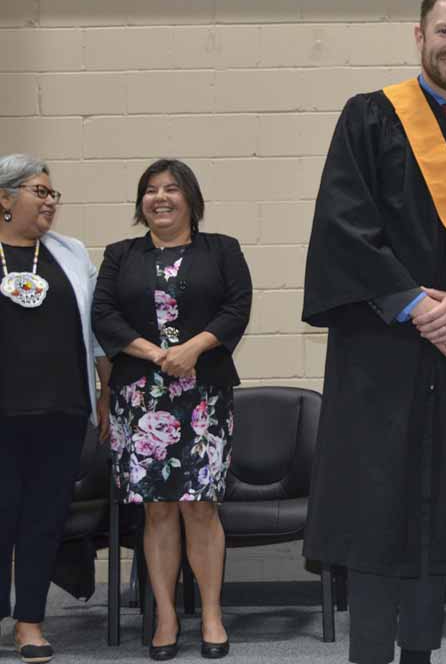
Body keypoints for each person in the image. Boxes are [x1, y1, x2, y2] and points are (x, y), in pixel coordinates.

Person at [301, 0, 446, 664]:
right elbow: (345, 225)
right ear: (419, 36)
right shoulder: (368, 118)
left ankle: (422, 654)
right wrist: (416, 304)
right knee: (374, 513)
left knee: (444, 515)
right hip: (381, 353)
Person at [93, 158, 252, 661]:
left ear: (191, 199)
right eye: (150, 190)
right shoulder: (120, 255)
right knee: (158, 510)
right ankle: (164, 616)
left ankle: (210, 614)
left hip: (202, 394)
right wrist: (155, 353)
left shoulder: (222, 249)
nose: (160, 197)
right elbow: (103, 314)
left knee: (200, 508)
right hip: (139, 396)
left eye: (171, 188)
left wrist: (192, 350)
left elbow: (237, 306)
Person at [0, 154, 111, 664]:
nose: (49, 201)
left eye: (52, 194)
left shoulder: (69, 253)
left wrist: (106, 394)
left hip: (62, 411)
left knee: (43, 519)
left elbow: (97, 337)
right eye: (38, 192)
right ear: (4, 198)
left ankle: (30, 622)